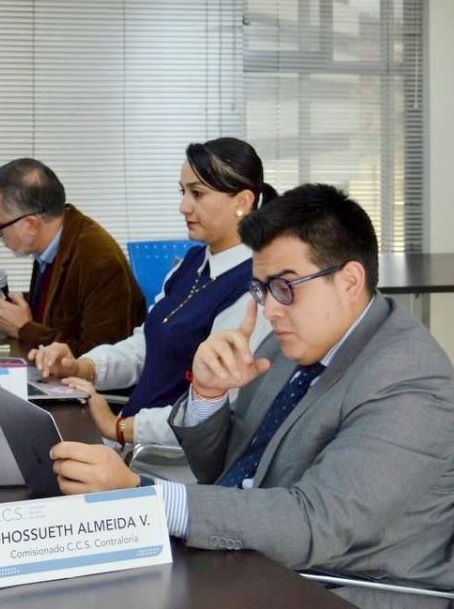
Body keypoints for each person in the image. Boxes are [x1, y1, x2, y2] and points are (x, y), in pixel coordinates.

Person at [49, 184, 454, 607]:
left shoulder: (409, 380)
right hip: (248, 559)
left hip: (341, 586)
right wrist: (207, 396)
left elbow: (313, 524)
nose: (269, 310)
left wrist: (142, 495)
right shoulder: (291, 339)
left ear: (350, 281)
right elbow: (224, 470)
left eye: (285, 287)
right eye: (261, 289)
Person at [31, 139, 275, 447]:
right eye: (182, 192)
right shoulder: (191, 265)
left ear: (242, 201)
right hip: (130, 439)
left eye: (197, 193)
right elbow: (146, 345)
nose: (184, 206)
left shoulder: (251, 290)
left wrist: (119, 427)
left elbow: (215, 409)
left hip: (170, 460)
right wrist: (82, 367)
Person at [0, 158, 145, 351]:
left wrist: (26, 330)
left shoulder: (99, 262)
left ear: (30, 225)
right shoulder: (52, 241)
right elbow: (58, 308)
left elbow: (102, 360)